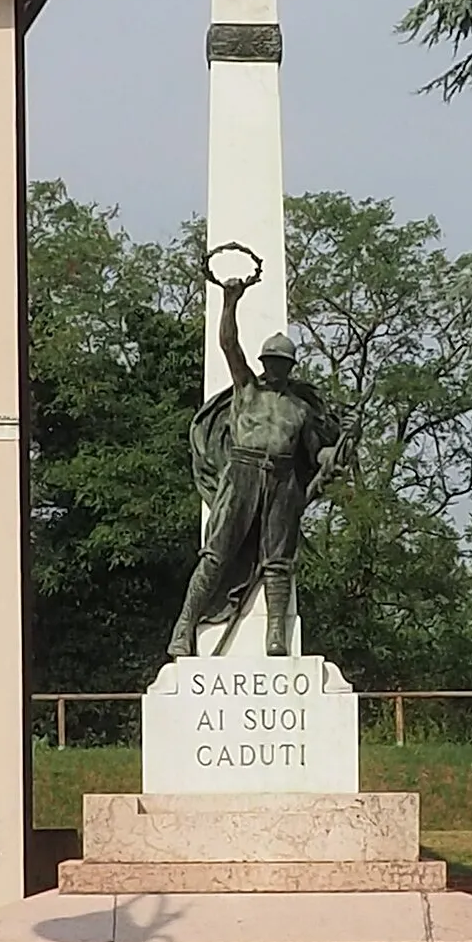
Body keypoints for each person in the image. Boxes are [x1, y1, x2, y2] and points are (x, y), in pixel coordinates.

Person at [167, 266, 342, 658]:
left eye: (281, 362)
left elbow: (314, 453)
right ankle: (184, 626)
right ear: (264, 362)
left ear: (290, 367)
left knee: (279, 562)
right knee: (216, 553)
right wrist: (230, 302)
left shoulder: (300, 409)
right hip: (242, 473)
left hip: (282, 480)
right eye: (271, 360)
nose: (275, 366)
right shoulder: (247, 389)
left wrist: (332, 454)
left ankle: (276, 635)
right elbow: (229, 344)